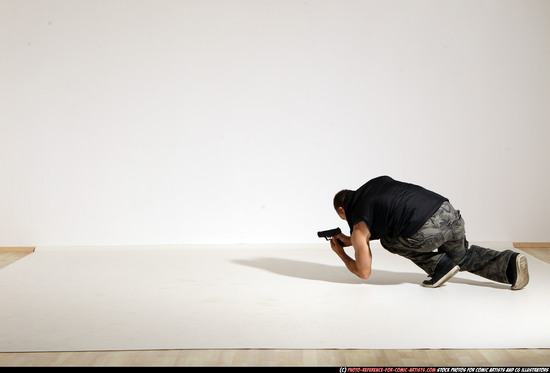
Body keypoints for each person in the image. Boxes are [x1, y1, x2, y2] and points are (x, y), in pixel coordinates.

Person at [330, 175, 529, 290]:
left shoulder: (358, 225)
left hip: (427, 228)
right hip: (448, 212)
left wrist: (341, 253)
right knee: (462, 257)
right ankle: (510, 265)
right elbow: (389, 212)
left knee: (387, 241)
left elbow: (364, 272)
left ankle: (440, 266)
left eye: (345, 218)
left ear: (342, 210)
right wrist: (350, 240)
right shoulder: (376, 183)